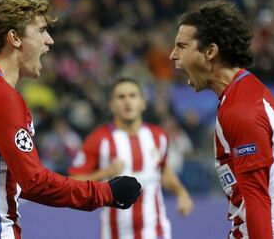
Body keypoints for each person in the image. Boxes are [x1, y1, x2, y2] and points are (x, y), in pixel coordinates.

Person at [0, 0, 141, 239]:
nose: (49, 41)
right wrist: (105, 192)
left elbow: (13, 177)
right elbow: (34, 182)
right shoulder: (0, 96)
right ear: (14, 38)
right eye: (41, 31)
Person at [169, 0, 274, 238]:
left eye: (181, 46)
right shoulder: (241, 95)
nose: (172, 56)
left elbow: (257, 198)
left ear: (210, 51)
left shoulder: (242, 110)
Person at [69, 77, 193, 239]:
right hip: (115, 233)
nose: (127, 102)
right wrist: (106, 173)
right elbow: (74, 181)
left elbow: (162, 170)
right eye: (121, 97)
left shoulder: (158, 136)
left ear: (142, 102)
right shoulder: (99, 139)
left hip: (156, 230)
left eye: (133, 96)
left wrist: (181, 192)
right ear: (111, 105)